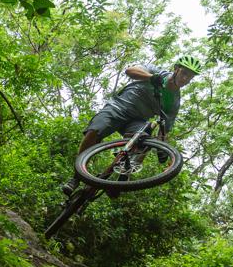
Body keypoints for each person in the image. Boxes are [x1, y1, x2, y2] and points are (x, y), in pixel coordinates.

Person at [60, 55, 202, 195]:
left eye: (190, 77)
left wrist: (162, 148)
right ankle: (77, 177)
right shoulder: (155, 71)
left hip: (138, 120)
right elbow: (130, 71)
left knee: (145, 142)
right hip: (119, 107)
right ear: (176, 69)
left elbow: (165, 129)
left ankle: (119, 179)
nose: (185, 79)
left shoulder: (174, 101)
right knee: (95, 131)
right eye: (184, 73)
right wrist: (151, 78)